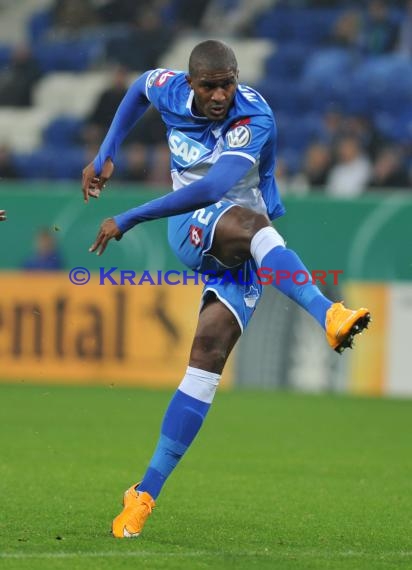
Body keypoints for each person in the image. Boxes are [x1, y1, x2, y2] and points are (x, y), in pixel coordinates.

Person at [81, 40, 371, 538]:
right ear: (191, 83)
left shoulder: (253, 117)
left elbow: (217, 187)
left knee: (205, 363)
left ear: (237, 78)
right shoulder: (168, 89)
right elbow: (136, 89)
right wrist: (106, 154)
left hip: (240, 243)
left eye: (228, 83)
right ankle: (328, 313)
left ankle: (143, 493)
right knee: (253, 222)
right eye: (210, 86)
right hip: (195, 225)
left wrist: (128, 216)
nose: (220, 95)